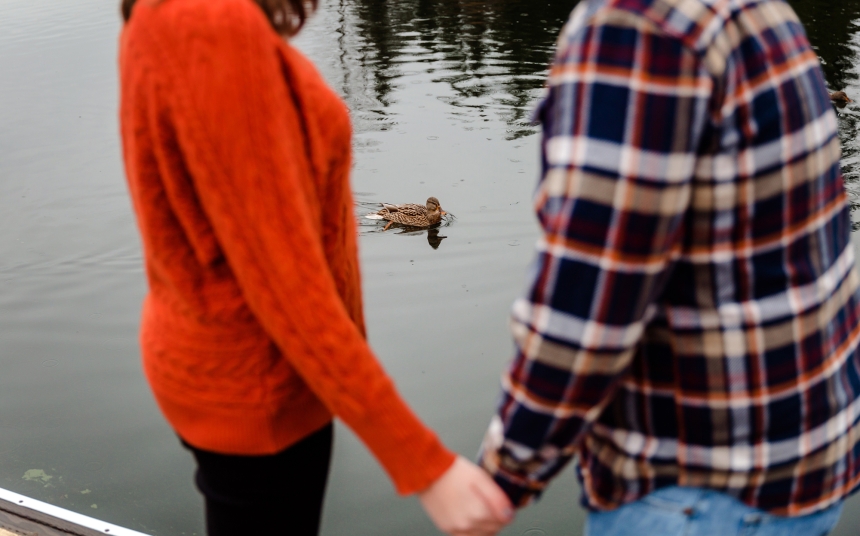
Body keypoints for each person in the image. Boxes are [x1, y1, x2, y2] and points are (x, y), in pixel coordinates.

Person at [117, 0, 512, 534]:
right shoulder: (210, 26)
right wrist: (425, 467)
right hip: (262, 386)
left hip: (229, 367)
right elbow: (283, 285)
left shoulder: (174, 18)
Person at [479, 0, 860, 534]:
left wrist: (504, 473)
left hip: (696, 492)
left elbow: (591, 300)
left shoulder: (638, 25)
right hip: (804, 462)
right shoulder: (757, 9)